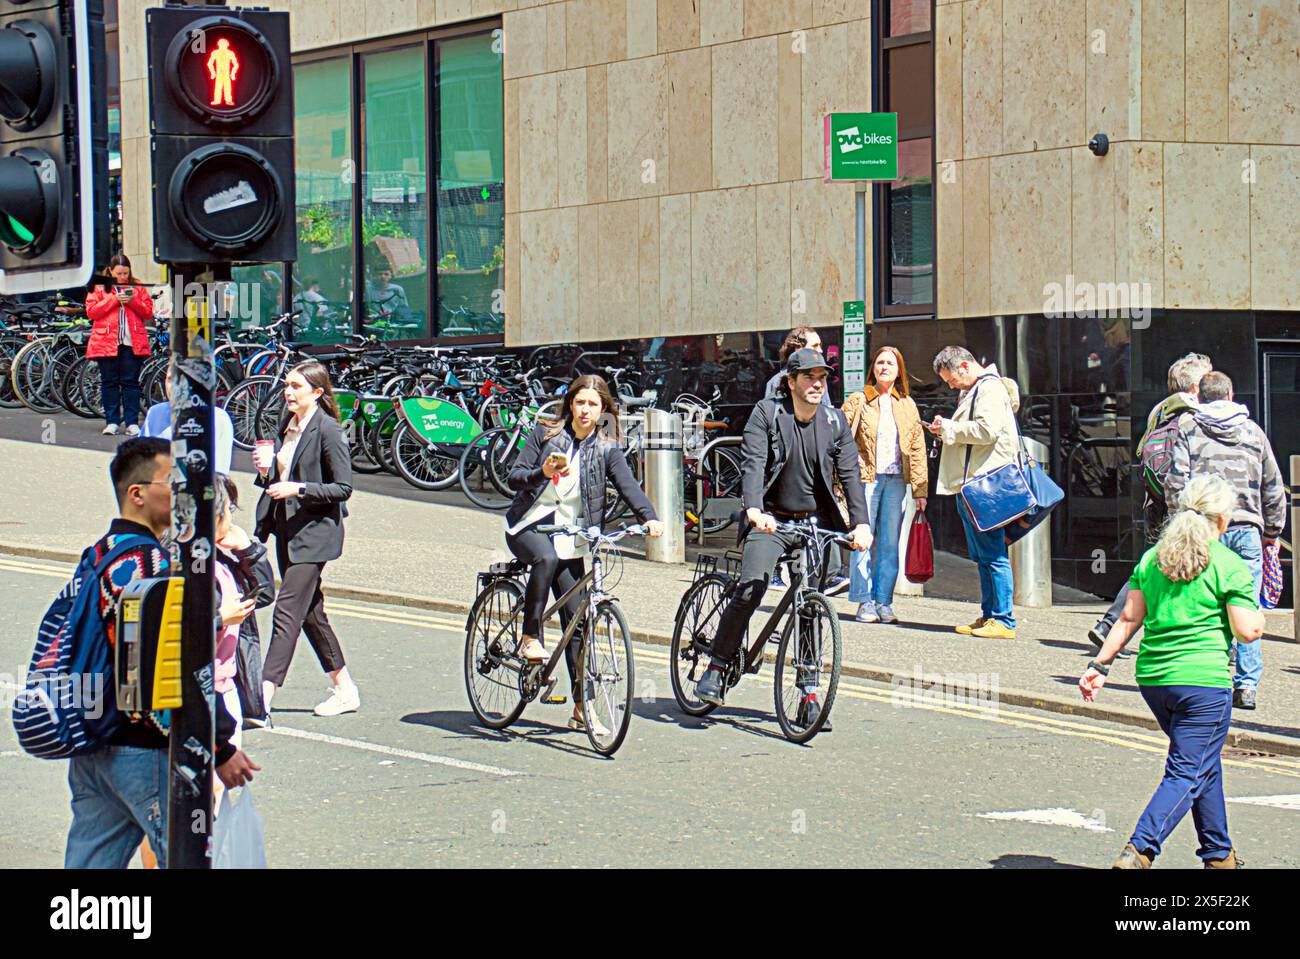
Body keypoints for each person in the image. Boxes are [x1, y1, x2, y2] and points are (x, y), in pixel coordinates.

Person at [65, 438, 259, 869]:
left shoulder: (97, 555)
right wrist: (222, 747)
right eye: (172, 483)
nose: (182, 493)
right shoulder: (152, 563)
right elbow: (177, 657)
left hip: (93, 744)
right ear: (137, 494)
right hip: (145, 749)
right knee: (188, 859)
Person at [1080, 475, 1264, 870]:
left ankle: (1219, 855)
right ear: (1222, 520)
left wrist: (1100, 665)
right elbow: (1246, 630)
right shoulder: (1228, 564)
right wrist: (1259, 613)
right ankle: (1140, 849)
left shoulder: (1153, 558)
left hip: (1155, 682)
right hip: (1203, 685)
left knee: (1202, 764)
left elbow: (1129, 617)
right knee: (1186, 770)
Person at [694, 348, 871, 721]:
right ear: (790, 382)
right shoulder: (768, 413)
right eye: (808, 377)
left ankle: (808, 692)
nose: (817, 383)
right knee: (751, 588)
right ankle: (717, 665)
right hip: (771, 520)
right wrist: (754, 508)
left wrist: (861, 523)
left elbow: (850, 474)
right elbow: (753, 461)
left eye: (822, 377)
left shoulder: (834, 421)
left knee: (810, 604)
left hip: (813, 523)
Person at [506, 375, 664, 732]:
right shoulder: (545, 434)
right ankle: (530, 636)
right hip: (529, 525)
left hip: (572, 536)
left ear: (604, 409)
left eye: (593, 404)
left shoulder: (607, 448)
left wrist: (650, 518)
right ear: (570, 405)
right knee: (544, 559)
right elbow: (513, 476)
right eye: (580, 403)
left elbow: (628, 487)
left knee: (578, 623)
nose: (586, 410)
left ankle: (582, 707)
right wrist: (540, 473)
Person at [1164, 370, 1285, 711]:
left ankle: (1206, 676)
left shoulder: (1189, 428)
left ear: (1199, 397)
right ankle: (1246, 685)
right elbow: (1273, 488)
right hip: (1247, 529)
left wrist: (1180, 522)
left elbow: (1176, 482)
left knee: (1202, 602)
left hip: (1203, 528)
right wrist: (1273, 534)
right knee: (1245, 603)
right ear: (1230, 395)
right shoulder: (1253, 432)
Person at [253, 361, 358, 718]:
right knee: (311, 614)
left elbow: (343, 488)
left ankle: (262, 696)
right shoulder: (288, 426)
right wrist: (266, 470)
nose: (288, 392)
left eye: (296, 386)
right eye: (286, 385)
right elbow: (278, 479)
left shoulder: (328, 430)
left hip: (315, 534)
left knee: (287, 610)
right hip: (287, 529)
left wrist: (297, 487)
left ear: (316, 392)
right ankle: (345, 688)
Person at [1087, 352, 1211, 651]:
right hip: (1189, 505)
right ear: (1196, 387)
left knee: (1153, 565)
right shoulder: (1200, 417)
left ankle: (1110, 624)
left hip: (1156, 502)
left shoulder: (1161, 412)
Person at [925, 346, 1021, 639]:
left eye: (950, 378)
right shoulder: (975, 390)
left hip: (985, 485)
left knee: (993, 554)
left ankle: (1003, 620)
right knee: (982, 556)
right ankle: (990, 615)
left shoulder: (989, 389)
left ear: (965, 366)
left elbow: (987, 431)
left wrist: (950, 428)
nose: (949, 384)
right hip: (973, 486)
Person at [841, 346, 928, 624]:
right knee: (862, 541)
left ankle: (884, 602)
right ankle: (864, 601)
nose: (884, 367)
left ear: (899, 369)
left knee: (890, 544)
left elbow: (916, 448)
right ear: (873, 368)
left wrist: (920, 490)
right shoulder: (858, 400)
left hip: (896, 482)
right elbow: (840, 439)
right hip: (866, 479)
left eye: (890, 363)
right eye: (880, 362)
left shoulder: (907, 404)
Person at [216, 475, 276, 727]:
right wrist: (219, 619)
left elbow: (263, 594)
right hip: (196, 693)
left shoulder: (221, 560)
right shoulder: (177, 564)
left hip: (226, 688)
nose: (232, 517)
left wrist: (247, 551)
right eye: (229, 509)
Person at [85, 254, 153, 437]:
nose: (122, 277)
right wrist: (114, 300)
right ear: (110, 271)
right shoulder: (99, 286)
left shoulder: (137, 286)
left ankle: (132, 422)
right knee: (109, 382)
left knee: (130, 382)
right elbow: (91, 311)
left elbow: (148, 312)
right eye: (119, 273)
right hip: (107, 341)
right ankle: (112, 422)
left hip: (132, 341)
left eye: (125, 273)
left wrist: (133, 301)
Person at [142, 358, 236, 473]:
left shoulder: (218, 419)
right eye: (170, 379)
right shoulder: (155, 413)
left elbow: (218, 472)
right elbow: (141, 462)